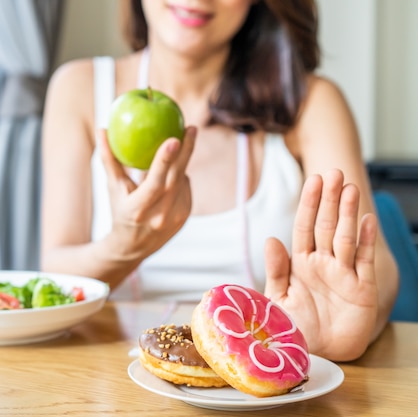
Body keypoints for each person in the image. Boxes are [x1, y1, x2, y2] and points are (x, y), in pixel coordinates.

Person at [39, 0, 399, 362]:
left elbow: (376, 270)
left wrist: (337, 332)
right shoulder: (79, 88)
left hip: (256, 388)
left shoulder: (311, 104)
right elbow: (53, 278)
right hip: (103, 381)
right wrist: (122, 247)